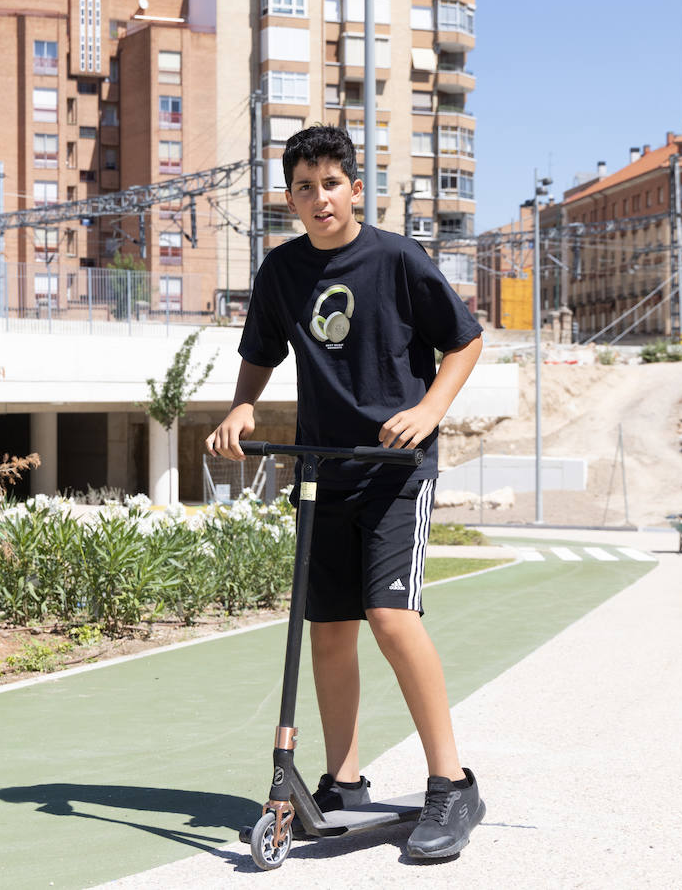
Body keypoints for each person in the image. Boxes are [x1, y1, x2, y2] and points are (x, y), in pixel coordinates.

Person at [205, 125, 486, 859]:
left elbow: (465, 340)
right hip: (322, 472)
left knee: (390, 619)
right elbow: (259, 354)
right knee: (329, 630)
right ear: (290, 198)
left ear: (355, 188)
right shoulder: (282, 272)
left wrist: (429, 411)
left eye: (331, 183)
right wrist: (241, 407)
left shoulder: (397, 259)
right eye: (304, 187)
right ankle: (344, 781)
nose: (319, 197)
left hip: (395, 471)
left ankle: (451, 785)